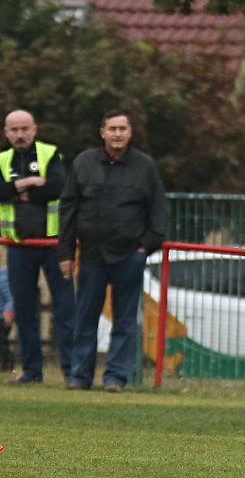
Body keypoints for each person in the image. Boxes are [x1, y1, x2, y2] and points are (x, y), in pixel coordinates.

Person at [58, 110, 167, 392]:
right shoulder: (83, 163)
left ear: (130, 133)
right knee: (85, 318)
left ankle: (115, 377)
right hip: (91, 255)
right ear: (102, 132)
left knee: (125, 320)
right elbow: (68, 208)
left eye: (122, 129)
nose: (117, 134)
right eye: (112, 129)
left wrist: (145, 246)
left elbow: (158, 211)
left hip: (129, 256)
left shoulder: (145, 167)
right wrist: (66, 252)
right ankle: (80, 376)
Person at [0, 109, 73, 384]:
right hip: (18, 246)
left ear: (34, 129)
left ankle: (71, 372)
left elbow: (57, 186)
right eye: (14, 130)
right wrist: (30, 182)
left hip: (54, 245)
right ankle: (32, 372)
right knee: (24, 311)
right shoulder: (2, 159)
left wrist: (14, 190)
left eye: (24, 129)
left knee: (65, 308)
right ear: (6, 133)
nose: (20, 135)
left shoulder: (50, 153)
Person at [0, 267, 15, 372]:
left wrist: (8, 312)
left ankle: (7, 365)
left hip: (2, 317)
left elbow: (10, 298)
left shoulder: (2, 279)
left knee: (1, 343)